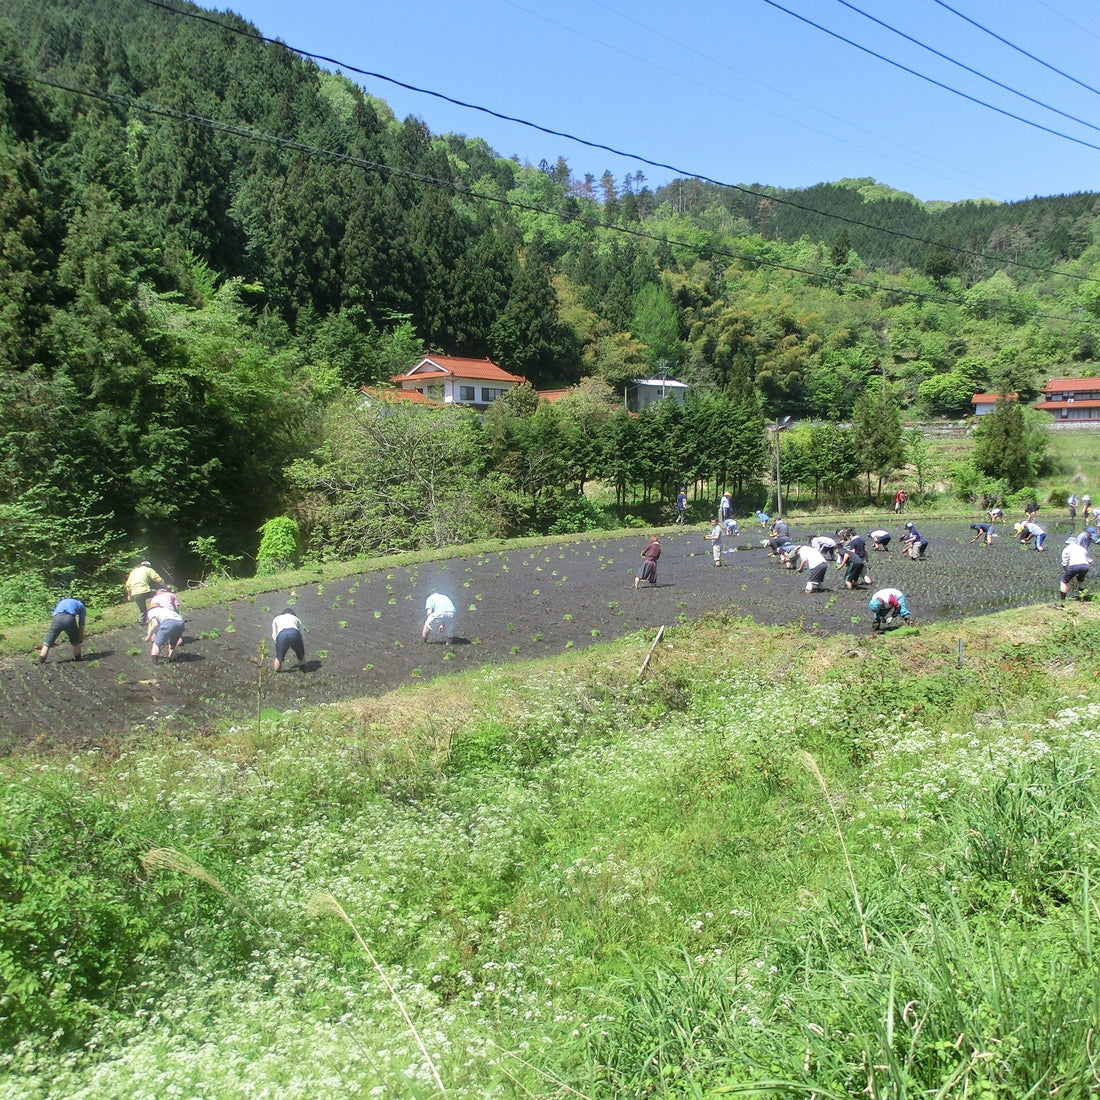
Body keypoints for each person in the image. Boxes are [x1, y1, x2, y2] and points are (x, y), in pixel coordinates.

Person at [38, 596, 86, 664]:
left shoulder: (63, 601)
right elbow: (82, 624)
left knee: (48, 642)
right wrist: (80, 638)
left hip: (57, 618)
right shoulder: (81, 606)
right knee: (76, 642)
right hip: (69, 618)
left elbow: (54, 613)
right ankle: (78, 658)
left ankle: (41, 661)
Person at [125, 560, 166, 626]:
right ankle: (164, 612)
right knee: (159, 593)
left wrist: (129, 595)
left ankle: (141, 624)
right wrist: (165, 586)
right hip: (145, 591)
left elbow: (128, 584)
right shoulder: (148, 569)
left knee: (142, 609)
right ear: (148, 565)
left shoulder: (133, 572)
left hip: (135, 593)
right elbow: (157, 579)